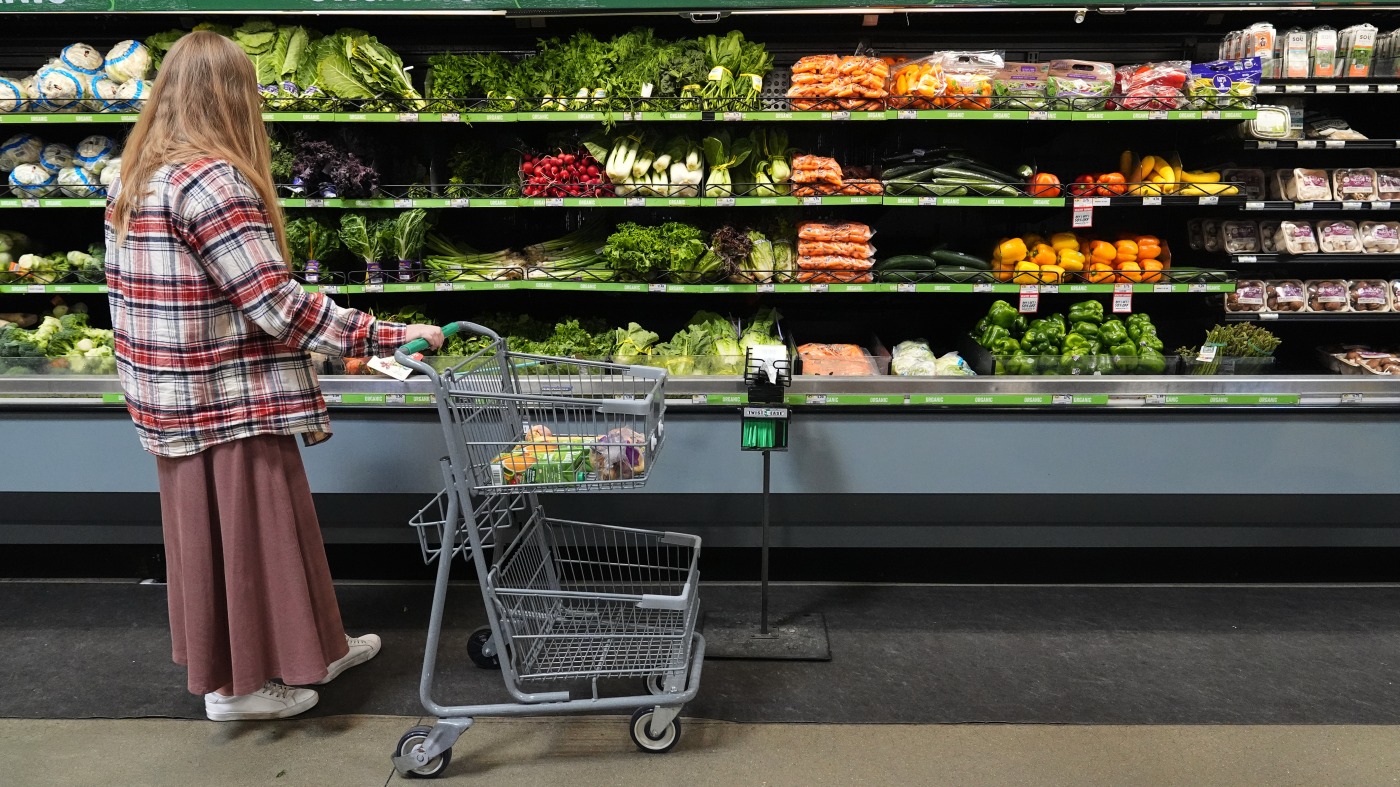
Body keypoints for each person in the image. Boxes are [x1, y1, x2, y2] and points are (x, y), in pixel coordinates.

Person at [104, 30, 444, 722]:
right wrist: (389, 333)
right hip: (226, 396)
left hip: (172, 397)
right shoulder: (213, 181)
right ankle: (239, 688)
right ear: (233, 99)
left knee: (245, 536)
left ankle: (312, 648)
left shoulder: (134, 176)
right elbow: (276, 305)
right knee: (251, 542)